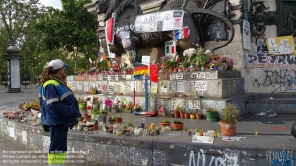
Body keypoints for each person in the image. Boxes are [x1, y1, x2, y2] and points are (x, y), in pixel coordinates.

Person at [38, 59, 81, 166]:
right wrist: (72, 111)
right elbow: (53, 104)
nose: (64, 71)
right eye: (63, 69)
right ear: (60, 70)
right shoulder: (51, 84)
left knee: (58, 148)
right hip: (58, 122)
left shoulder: (51, 82)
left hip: (57, 121)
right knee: (57, 149)